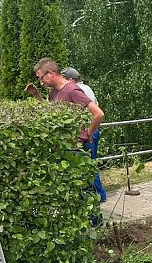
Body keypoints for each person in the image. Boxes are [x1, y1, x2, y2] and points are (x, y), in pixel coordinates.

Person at [26, 58, 107, 204]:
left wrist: (88, 134)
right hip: (66, 147)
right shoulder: (54, 93)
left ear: (50, 73)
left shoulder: (71, 90)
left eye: (41, 78)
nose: (41, 82)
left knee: (86, 188)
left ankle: (95, 221)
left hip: (78, 148)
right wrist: (36, 95)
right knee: (74, 189)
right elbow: (50, 112)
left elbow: (99, 114)